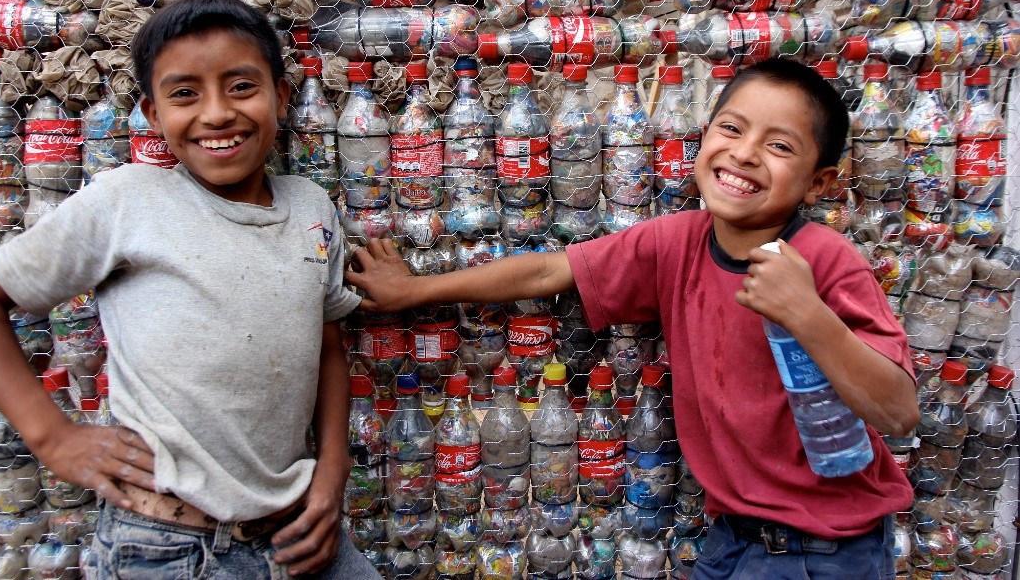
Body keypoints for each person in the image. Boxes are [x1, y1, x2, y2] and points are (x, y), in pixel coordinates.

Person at [348, 58, 919, 579]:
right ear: (703, 138)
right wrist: (416, 290)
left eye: (780, 147)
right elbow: (549, 272)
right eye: (732, 128)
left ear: (819, 183)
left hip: (825, 548)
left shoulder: (826, 260)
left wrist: (809, 315)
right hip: (731, 538)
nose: (744, 154)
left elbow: (896, 411)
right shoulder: (679, 244)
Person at [0, 0, 380, 579]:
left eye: (241, 86)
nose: (216, 114)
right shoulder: (128, 201)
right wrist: (52, 437)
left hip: (296, 527)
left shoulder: (310, 206)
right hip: (166, 545)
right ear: (153, 116)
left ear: (282, 97)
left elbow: (325, 339)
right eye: (184, 94)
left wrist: (331, 472)